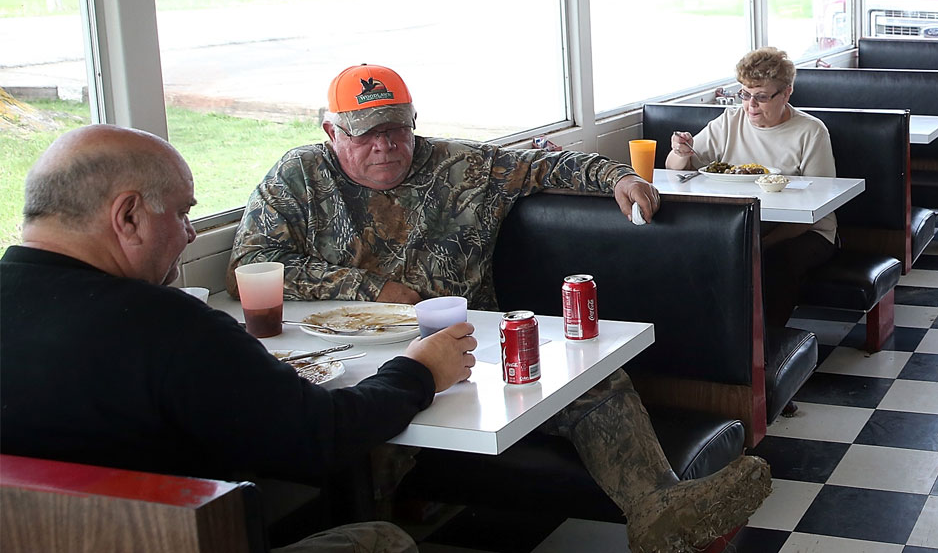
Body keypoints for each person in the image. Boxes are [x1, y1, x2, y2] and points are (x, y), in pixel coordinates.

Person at [229, 64, 770, 553]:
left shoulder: (461, 166)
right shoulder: (298, 178)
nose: (387, 144)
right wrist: (370, 287)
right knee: (352, 436)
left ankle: (658, 508)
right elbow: (252, 261)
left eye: (398, 127)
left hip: (476, 354)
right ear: (332, 132)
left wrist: (619, 177)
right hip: (353, 361)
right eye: (368, 131)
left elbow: (546, 166)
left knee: (592, 380)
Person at [0, 125, 479, 553]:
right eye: (183, 213)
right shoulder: (167, 326)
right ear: (127, 217)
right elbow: (320, 438)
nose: (189, 234)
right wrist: (419, 370)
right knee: (382, 541)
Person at [664, 47, 838, 335]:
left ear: (786, 93)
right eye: (745, 94)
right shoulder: (729, 122)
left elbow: (816, 209)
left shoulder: (811, 131)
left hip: (806, 232)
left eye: (761, 96)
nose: (751, 106)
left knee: (772, 265)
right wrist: (681, 151)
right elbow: (676, 169)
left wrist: (760, 243)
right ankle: (706, 339)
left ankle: (762, 352)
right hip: (739, 227)